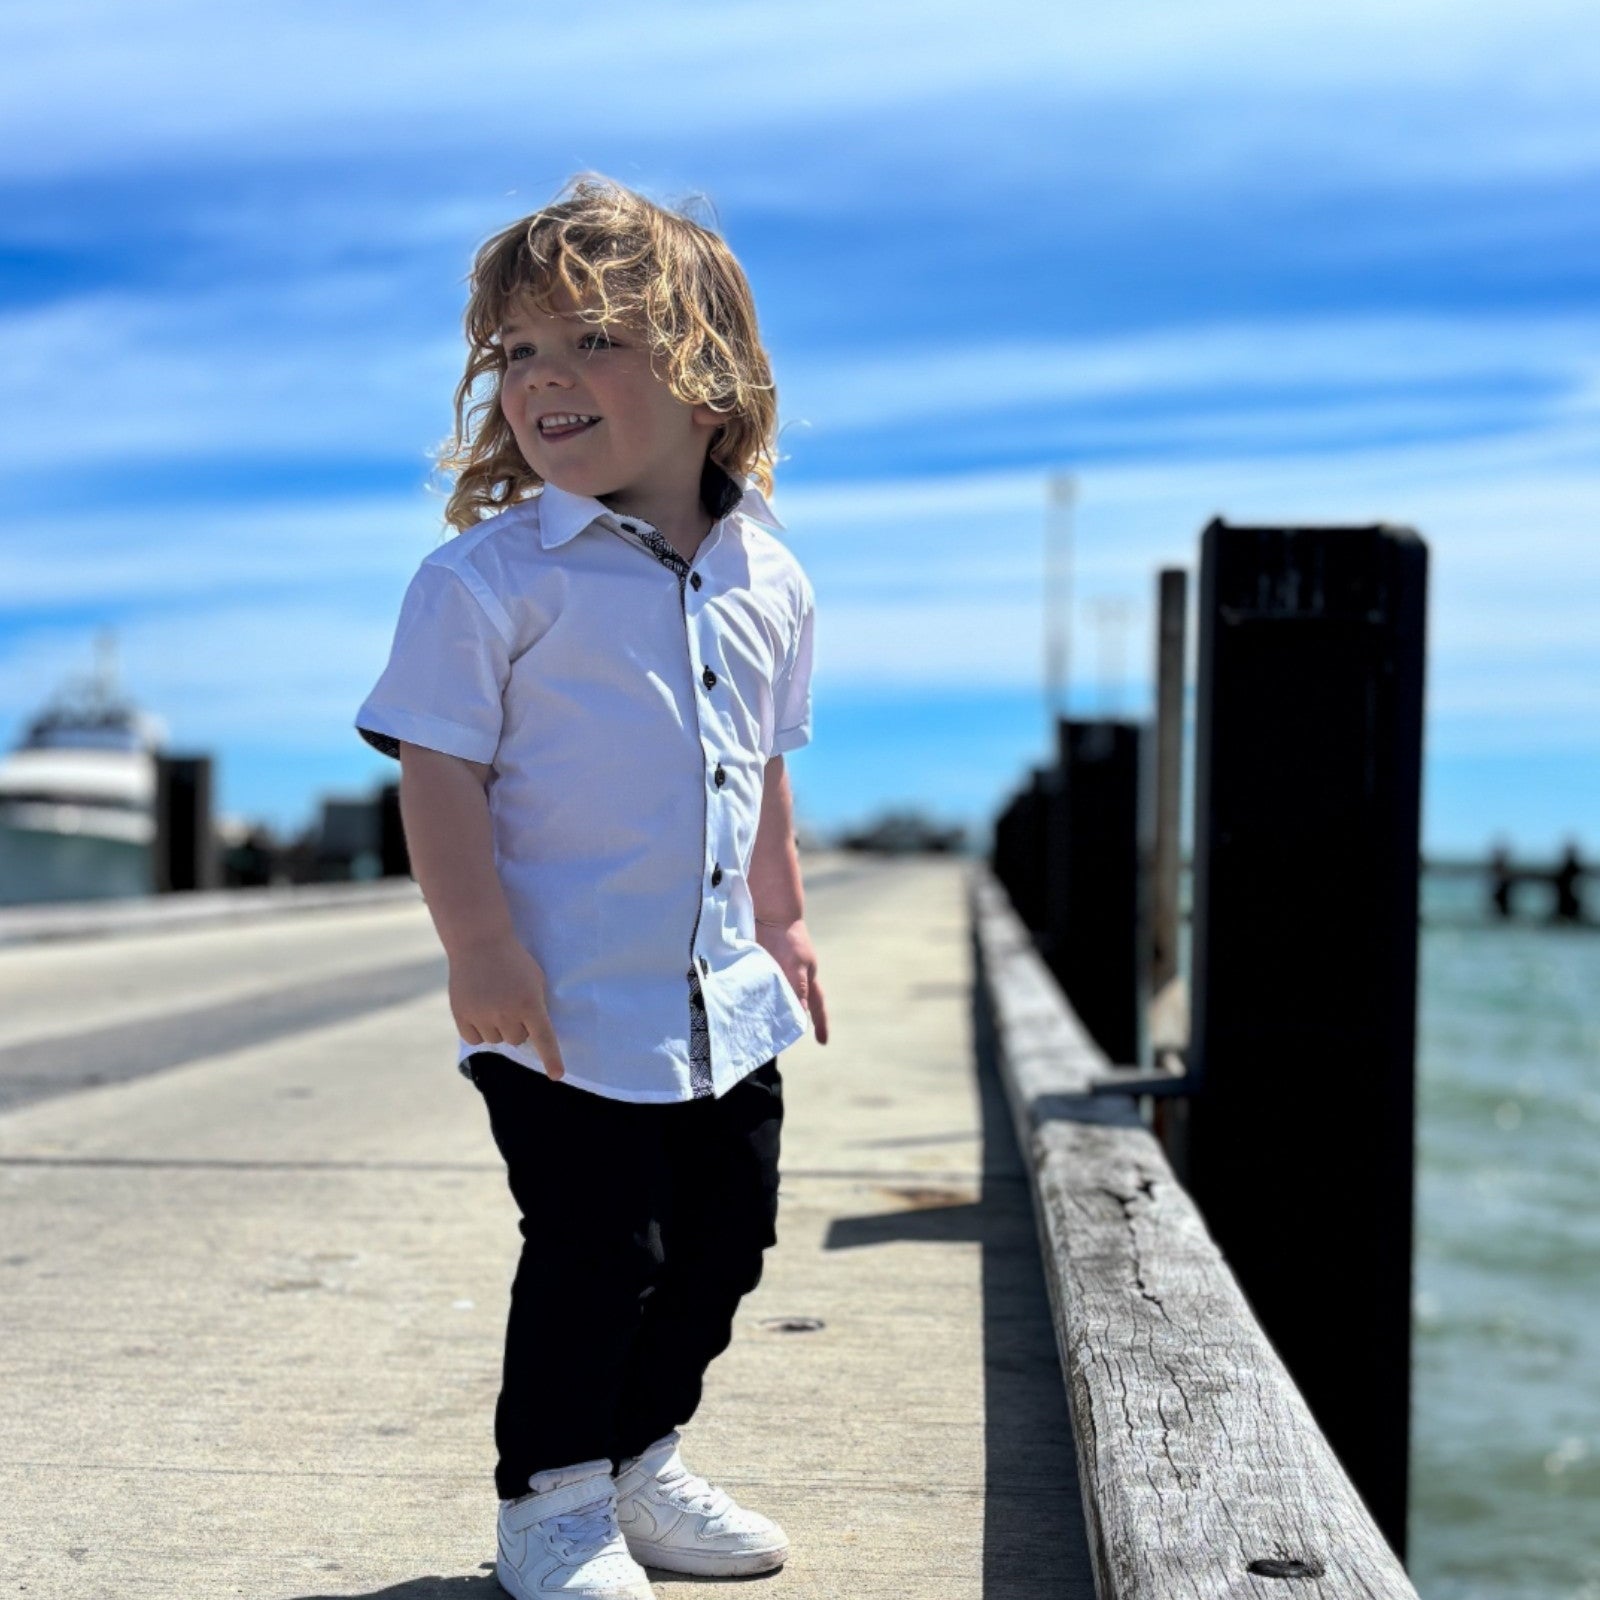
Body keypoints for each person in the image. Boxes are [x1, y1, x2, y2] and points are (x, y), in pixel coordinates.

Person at [353, 172, 829, 1600]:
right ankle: (550, 1504)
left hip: (723, 996)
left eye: (592, 343)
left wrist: (788, 919)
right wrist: (478, 946)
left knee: (727, 1239)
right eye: (517, 354)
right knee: (594, 1248)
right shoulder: (487, 583)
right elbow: (434, 773)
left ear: (711, 374)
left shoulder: (772, 580)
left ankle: (640, 1457)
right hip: (557, 998)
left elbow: (766, 765)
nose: (545, 382)